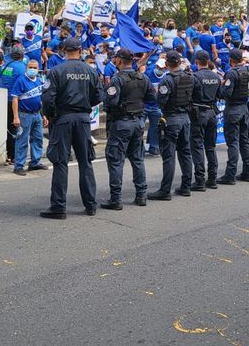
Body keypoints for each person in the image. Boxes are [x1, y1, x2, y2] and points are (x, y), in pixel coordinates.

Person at [40, 38, 102, 219]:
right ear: (80, 50)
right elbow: (98, 96)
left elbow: (47, 99)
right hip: (83, 119)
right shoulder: (90, 71)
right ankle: (90, 205)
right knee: (85, 162)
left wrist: (51, 115)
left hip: (63, 119)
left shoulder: (56, 71)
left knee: (60, 162)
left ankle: (58, 207)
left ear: (63, 50)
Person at [101, 48, 156, 210]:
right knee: (137, 159)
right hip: (137, 122)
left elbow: (110, 102)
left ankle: (116, 199)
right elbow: (153, 97)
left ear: (119, 60)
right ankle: (141, 195)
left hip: (121, 123)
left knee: (116, 160)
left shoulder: (117, 79)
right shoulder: (143, 77)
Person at [148, 51, 195, 200]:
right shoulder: (189, 77)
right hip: (185, 118)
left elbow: (161, 100)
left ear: (167, 64)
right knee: (185, 152)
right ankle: (186, 186)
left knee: (169, 156)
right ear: (180, 63)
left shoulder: (167, 80)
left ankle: (165, 190)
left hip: (172, 119)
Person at [216, 48, 249, 184]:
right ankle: (248, 171)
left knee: (233, 142)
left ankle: (230, 174)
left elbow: (225, 94)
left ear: (231, 60)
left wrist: (221, 86)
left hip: (233, 109)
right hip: (244, 108)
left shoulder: (231, 73)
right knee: (244, 141)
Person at [189, 51, 222, 190]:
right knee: (210, 146)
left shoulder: (195, 77)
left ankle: (200, 180)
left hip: (199, 113)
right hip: (212, 112)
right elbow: (220, 95)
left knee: (197, 147)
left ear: (197, 61)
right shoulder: (216, 77)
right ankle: (212, 178)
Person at [10, 58, 48, 176]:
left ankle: (35, 162)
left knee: (37, 139)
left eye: (35, 68)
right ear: (26, 68)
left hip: (37, 114)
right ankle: (19, 166)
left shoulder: (39, 81)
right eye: (30, 67)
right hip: (24, 115)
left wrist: (44, 115)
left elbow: (41, 99)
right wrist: (16, 117)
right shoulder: (21, 80)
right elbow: (15, 99)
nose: (32, 69)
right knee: (22, 140)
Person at [0, 45, 26, 165]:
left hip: (4, 99)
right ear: (22, 55)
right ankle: (15, 156)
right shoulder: (21, 67)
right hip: (15, 100)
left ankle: (9, 154)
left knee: (8, 129)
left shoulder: (6, 65)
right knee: (17, 129)